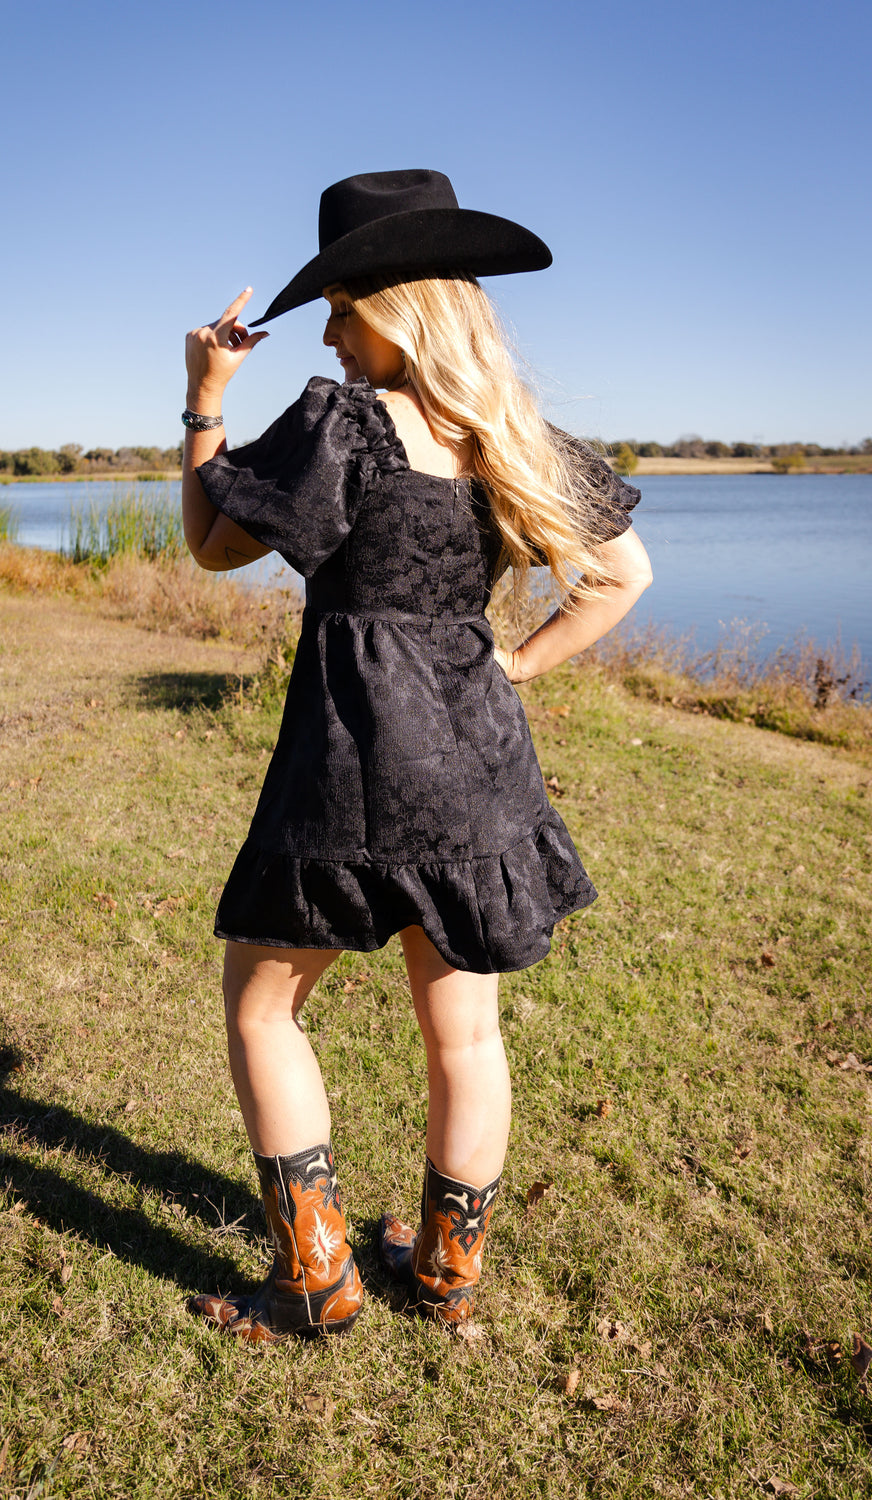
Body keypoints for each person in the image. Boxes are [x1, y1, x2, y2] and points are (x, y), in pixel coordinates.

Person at [180, 170, 652, 1344]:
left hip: (347, 758)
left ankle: (316, 1279)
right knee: (466, 1035)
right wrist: (513, 668)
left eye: (344, 308)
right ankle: (443, 1279)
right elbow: (624, 579)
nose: (333, 335)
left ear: (403, 304)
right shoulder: (513, 435)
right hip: (476, 767)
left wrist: (202, 400)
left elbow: (208, 547)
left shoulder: (341, 426)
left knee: (262, 1008)